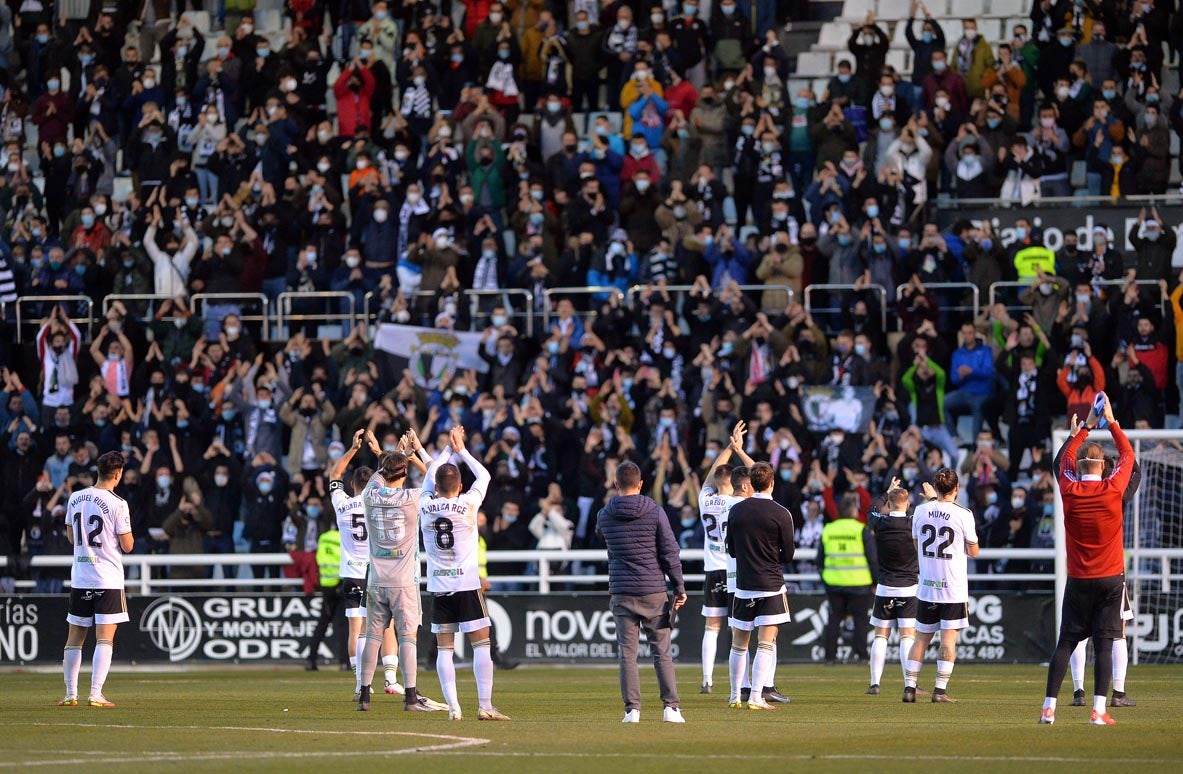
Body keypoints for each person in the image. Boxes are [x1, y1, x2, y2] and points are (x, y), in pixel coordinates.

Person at [1039, 395, 1131, 726]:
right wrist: (1111, 420)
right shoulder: (1113, 490)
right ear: (1104, 467)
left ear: (1078, 468)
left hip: (1078, 579)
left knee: (1065, 644)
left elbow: (1062, 459)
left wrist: (1085, 428)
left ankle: (1049, 708)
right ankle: (1099, 710)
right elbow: (1129, 456)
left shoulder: (1069, 490)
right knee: (1104, 646)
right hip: (1110, 579)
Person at [418, 426, 509, 722]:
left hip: (439, 584)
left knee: (445, 647)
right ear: (458, 486)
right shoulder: (468, 503)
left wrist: (446, 449)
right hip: (467, 582)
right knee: (481, 642)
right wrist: (462, 450)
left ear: (437, 485)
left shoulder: (426, 503)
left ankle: (454, 708)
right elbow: (484, 476)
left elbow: (429, 476)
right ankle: (485, 705)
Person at [356, 430, 448, 713]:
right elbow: (437, 476)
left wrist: (392, 455)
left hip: (376, 579)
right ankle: (410, 697)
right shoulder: (412, 498)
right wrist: (415, 451)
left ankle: (364, 696)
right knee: (407, 637)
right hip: (404, 581)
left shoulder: (369, 495)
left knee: (373, 636)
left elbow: (380, 475)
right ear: (404, 474)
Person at [596, 459, 686, 724]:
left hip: (622, 590)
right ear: (641, 484)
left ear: (616, 484)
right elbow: (670, 552)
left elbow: (600, 534)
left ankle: (632, 710)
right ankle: (671, 708)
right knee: (662, 652)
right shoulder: (655, 511)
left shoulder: (604, 514)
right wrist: (679, 586)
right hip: (653, 591)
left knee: (627, 653)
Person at [60, 452, 133, 708]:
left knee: (75, 637)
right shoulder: (118, 503)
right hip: (107, 578)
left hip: (81, 578)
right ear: (118, 473)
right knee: (104, 638)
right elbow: (128, 545)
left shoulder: (75, 497)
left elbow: (71, 537)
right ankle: (95, 693)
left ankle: (71, 694)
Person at [903, 467, 978, 704]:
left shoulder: (920, 511)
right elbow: (974, 551)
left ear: (935, 488)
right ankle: (939, 690)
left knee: (921, 638)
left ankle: (909, 687)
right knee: (948, 638)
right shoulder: (963, 514)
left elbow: (917, 544)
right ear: (957, 488)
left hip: (927, 585)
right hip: (952, 587)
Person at [725, 461, 795, 711]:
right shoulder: (781, 513)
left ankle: (735, 695)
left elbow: (731, 550)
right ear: (772, 482)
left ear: (751, 484)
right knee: (766, 642)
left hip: (743, 585)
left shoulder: (736, 511)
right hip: (771, 585)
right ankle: (756, 696)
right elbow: (788, 554)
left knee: (739, 643)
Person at [696, 420, 752, 695]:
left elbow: (710, 476)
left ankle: (707, 680)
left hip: (711, 569)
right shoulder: (738, 502)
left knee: (712, 626)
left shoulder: (704, 499)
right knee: (739, 629)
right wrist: (739, 450)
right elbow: (759, 476)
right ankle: (743, 683)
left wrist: (728, 449)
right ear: (734, 482)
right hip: (733, 571)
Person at [865, 482, 919, 695]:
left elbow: (872, 509)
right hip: (908, 587)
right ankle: (909, 684)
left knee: (881, 635)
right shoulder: (913, 523)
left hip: (885, 586)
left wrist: (884, 494)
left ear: (889, 503)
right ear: (907, 504)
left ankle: (874, 683)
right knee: (907, 636)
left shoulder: (880, 523)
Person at [818, 492, 877, 665]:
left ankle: (830, 656)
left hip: (834, 583)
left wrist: (826, 578)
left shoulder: (828, 529)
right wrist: (875, 582)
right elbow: (872, 559)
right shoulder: (861, 530)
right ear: (853, 512)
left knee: (834, 619)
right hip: (860, 583)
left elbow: (819, 560)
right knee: (860, 621)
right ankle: (862, 656)